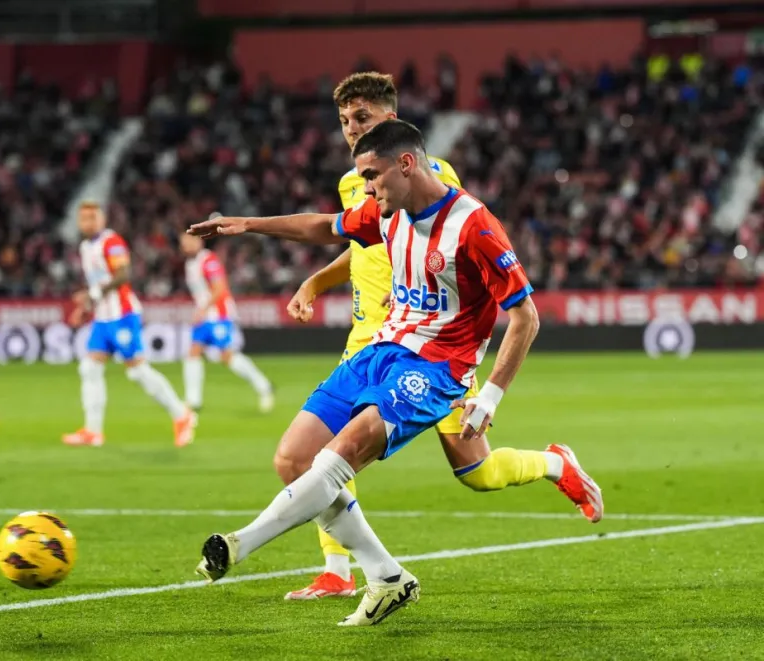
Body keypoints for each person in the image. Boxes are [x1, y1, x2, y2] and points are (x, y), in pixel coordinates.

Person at [189, 120, 602, 626]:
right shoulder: (387, 210)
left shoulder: (474, 225)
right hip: (381, 349)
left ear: (406, 163)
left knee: (354, 455)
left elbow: (525, 316)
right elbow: (325, 226)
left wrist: (490, 396)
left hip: (437, 367)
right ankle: (386, 577)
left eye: (371, 176)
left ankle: (238, 544)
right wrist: (248, 224)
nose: (365, 188)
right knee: (294, 458)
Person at [283, 71, 469, 601]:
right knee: (321, 452)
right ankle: (339, 570)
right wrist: (315, 280)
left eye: (361, 118)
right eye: (343, 120)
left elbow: (459, 240)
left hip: (430, 340)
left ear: (391, 120)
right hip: (368, 337)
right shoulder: (353, 180)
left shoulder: (434, 173)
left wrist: (420, 287)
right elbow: (362, 244)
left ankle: (553, 463)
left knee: (475, 470)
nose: (349, 129)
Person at [63, 201, 196, 448]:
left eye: (93, 218)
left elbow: (123, 274)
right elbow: (98, 283)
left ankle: (182, 415)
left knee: (138, 371)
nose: (88, 223)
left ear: (102, 220)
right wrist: (86, 308)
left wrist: (90, 297)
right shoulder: (85, 247)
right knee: (89, 368)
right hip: (102, 318)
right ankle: (93, 432)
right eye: (84, 219)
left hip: (122, 315)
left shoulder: (111, 242)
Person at [180, 228, 274, 414]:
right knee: (193, 352)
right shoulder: (190, 264)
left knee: (227, 357)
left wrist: (203, 310)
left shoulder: (208, 261)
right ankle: (193, 401)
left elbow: (219, 288)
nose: (184, 246)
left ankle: (263, 385)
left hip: (218, 315)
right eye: (182, 243)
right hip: (205, 315)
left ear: (199, 242)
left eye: (187, 242)